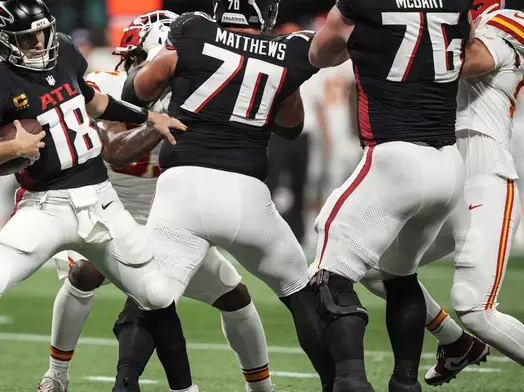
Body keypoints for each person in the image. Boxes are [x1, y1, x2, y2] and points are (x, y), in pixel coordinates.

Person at [0, 1, 186, 391]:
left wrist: (147, 117)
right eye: (27, 37)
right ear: (2, 40)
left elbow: (93, 101)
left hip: (100, 198)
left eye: (42, 32)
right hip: (46, 204)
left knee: (159, 296)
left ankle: (186, 388)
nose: (39, 42)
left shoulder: (63, 50)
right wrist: (11, 148)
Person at [37, 10, 274, 392]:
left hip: (168, 223)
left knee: (235, 296)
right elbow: (114, 151)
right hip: (103, 212)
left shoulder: (200, 92)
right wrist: (162, 121)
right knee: (86, 271)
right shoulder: (105, 86)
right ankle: (56, 375)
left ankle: (261, 387)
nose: (136, 69)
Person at [120, 0, 337, 391]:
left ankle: (125, 381)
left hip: (182, 189)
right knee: (300, 294)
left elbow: (136, 90)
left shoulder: (191, 32)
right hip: (245, 193)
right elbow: (291, 126)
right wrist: (278, 83)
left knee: (150, 297)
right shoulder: (288, 50)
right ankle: (341, 382)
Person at [307, 0, 473, 390]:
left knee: (329, 274)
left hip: (394, 156)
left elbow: (319, 54)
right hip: (448, 163)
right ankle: (404, 383)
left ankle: (351, 382)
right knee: (400, 275)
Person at [361, 1, 524, 385]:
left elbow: (476, 60)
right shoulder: (448, 21)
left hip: (485, 166)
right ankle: (455, 343)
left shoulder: (507, 17)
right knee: (368, 263)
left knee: (476, 308)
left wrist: (397, 41)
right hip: (442, 168)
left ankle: (464, 335)